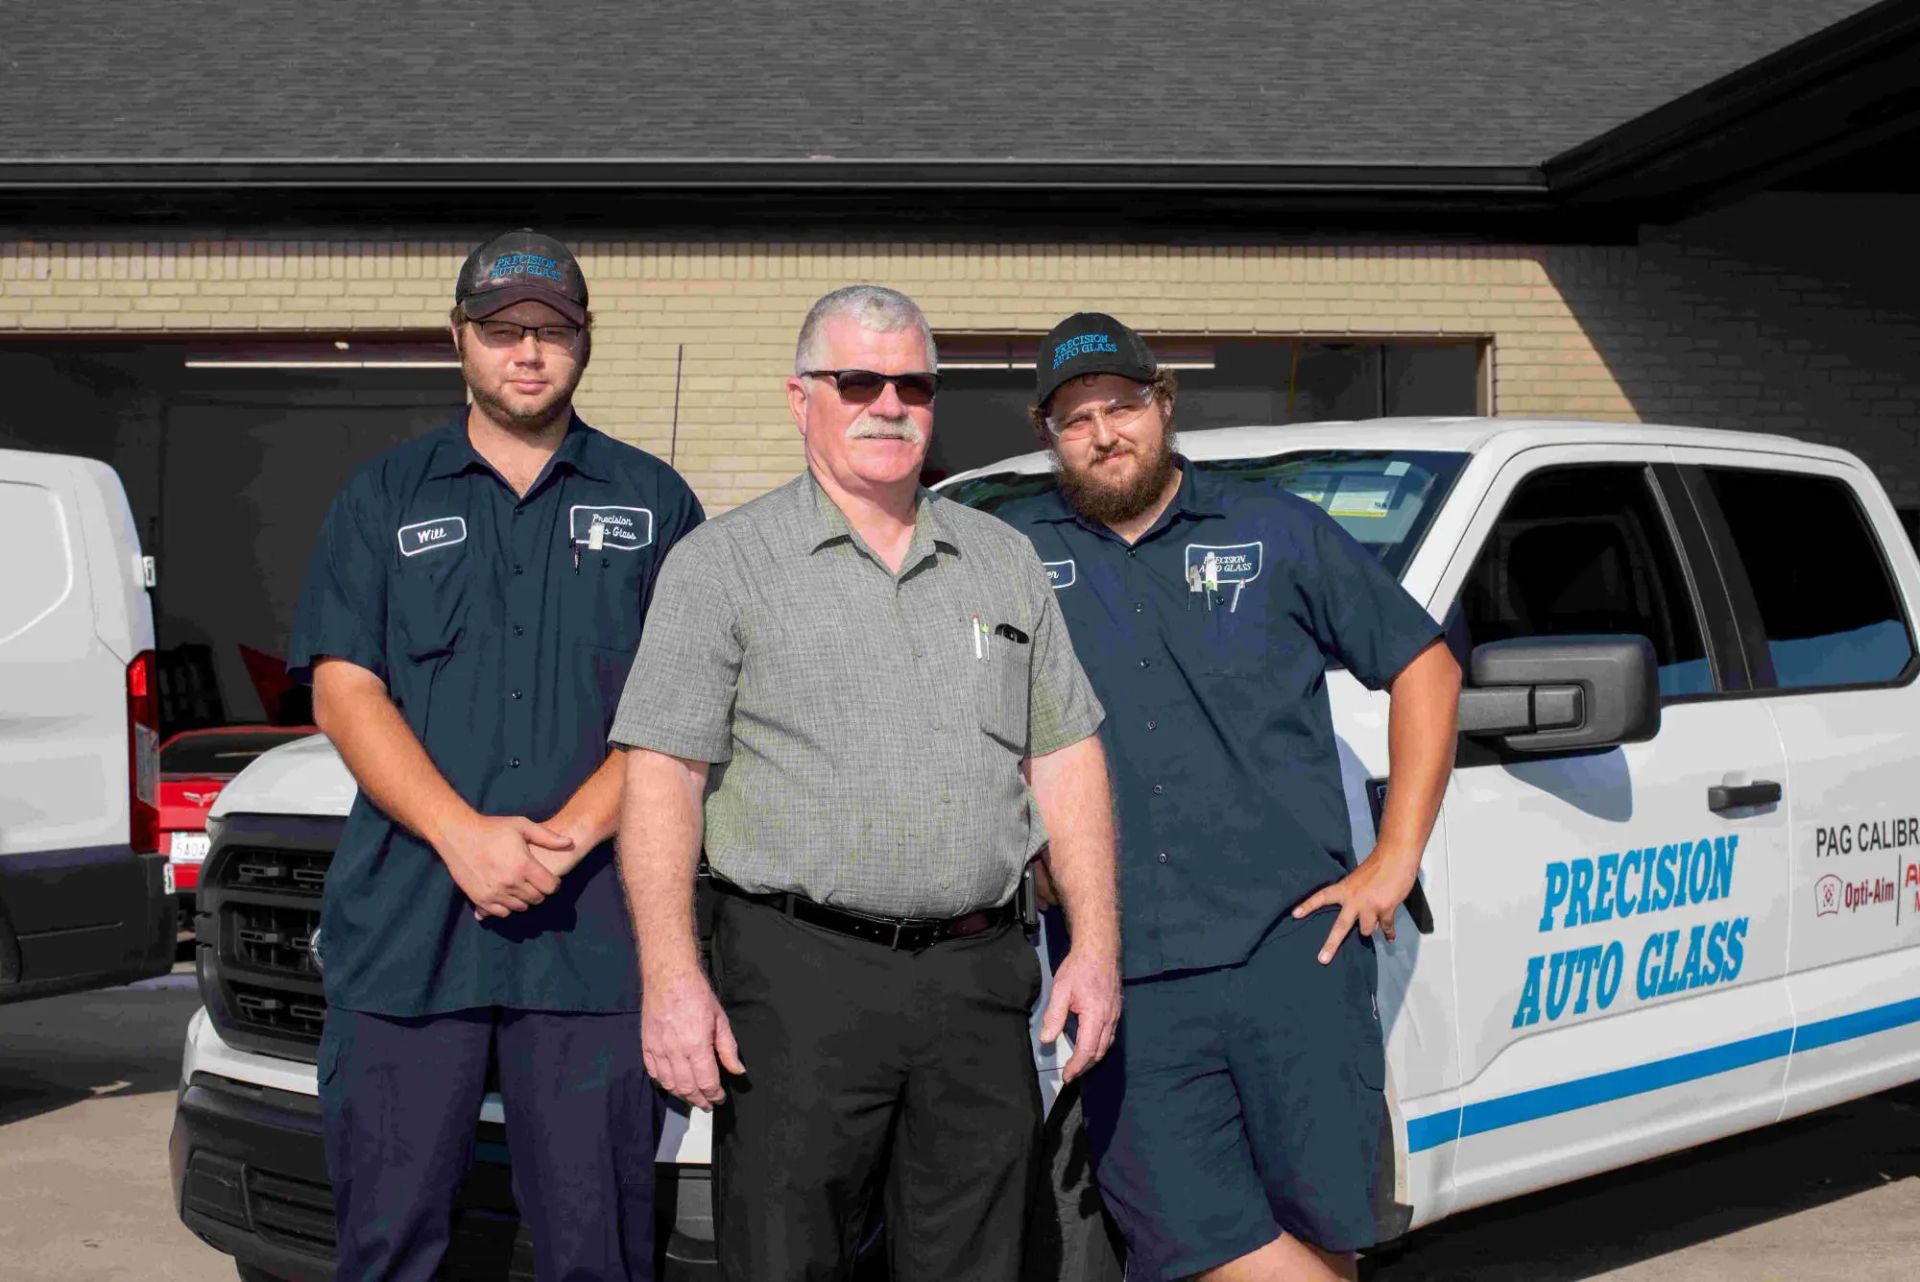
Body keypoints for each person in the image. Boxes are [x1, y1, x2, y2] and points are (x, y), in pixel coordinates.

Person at [609, 285, 1121, 1281]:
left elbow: (1064, 758)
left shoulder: (1005, 562)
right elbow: (663, 775)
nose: (889, 404)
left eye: (914, 385)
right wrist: (671, 981)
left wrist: (1094, 948)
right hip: (799, 985)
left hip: (979, 983)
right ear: (802, 397)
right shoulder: (722, 567)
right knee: (789, 1261)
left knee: (980, 1260)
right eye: (858, 381)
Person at [997, 313, 1461, 1282]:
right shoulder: (1013, 555)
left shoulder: (1274, 527)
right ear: (1049, 432)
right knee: (1190, 1234)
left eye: (1121, 406)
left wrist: (1396, 855)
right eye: (1075, 417)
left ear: (1162, 405)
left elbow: (1424, 663)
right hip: (1124, 972)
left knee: (1322, 1222)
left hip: (1292, 951)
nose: (1103, 431)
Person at [286, 229, 703, 1281]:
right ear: (459, 339)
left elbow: (685, 706)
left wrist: (560, 844)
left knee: (597, 1252)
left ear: (586, 342)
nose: (528, 352)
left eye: (552, 331)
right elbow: (345, 687)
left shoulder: (655, 504)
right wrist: (464, 836)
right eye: (503, 330)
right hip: (410, 931)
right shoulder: (384, 496)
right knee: (388, 1247)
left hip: (593, 943)